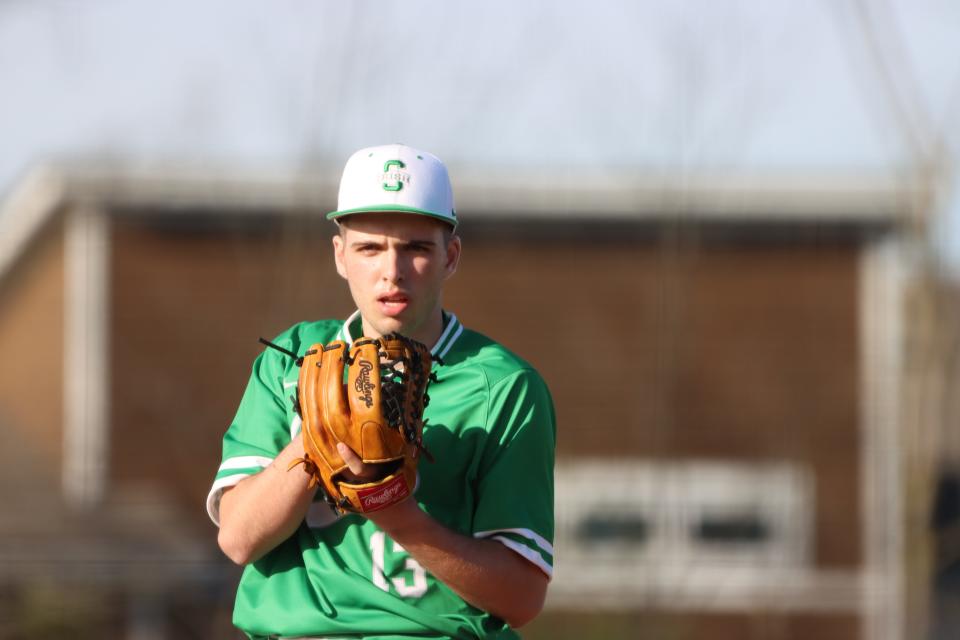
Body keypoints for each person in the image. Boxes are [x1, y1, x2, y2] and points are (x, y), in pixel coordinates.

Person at [206, 143, 556, 640]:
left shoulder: (503, 386)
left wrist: (398, 514)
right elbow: (238, 539)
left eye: (415, 248)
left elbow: (521, 598)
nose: (391, 271)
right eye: (370, 248)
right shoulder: (292, 362)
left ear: (450, 256)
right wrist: (317, 439)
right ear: (340, 256)